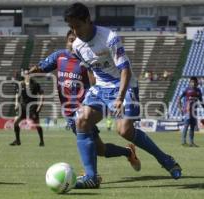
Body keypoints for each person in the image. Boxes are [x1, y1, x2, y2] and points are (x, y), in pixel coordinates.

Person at [64, 2, 182, 189]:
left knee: (124, 130)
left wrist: (119, 97)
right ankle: (91, 177)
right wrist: (90, 95)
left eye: (77, 25)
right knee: (81, 120)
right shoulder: (77, 46)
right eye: (71, 27)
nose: (75, 31)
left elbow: (125, 69)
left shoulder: (109, 37)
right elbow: (91, 70)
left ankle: (165, 159)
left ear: (88, 20)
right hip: (101, 88)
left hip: (123, 86)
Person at [29, 30, 141, 172]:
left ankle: (92, 176)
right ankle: (127, 152)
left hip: (84, 109)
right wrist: (31, 72)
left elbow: (95, 84)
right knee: (100, 149)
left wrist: (88, 71)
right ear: (66, 41)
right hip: (68, 112)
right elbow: (41, 68)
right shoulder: (59, 56)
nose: (73, 43)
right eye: (70, 40)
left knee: (89, 144)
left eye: (76, 40)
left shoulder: (88, 59)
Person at [9, 70, 45, 147]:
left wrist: (40, 105)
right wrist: (16, 103)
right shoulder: (21, 84)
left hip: (32, 107)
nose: (28, 75)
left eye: (29, 74)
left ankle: (41, 141)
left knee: (37, 124)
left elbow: (41, 94)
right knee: (15, 122)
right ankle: (17, 140)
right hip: (23, 106)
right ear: (24, 75)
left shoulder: (35, 84)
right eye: (26, 74)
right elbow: (17, 94)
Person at [178, 76, 204, 147]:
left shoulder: (198, 91)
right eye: (192, 82)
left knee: (192, 127)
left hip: (194, 111)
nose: (194, 84)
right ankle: (183, 141)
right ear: (190, 82)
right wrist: (180, 108)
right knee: (186, 125)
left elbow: (201, 101)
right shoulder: (186, 90)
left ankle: (191, 142)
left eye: (195, 82)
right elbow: (179, 99)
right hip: (187, 110)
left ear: (197, 83)